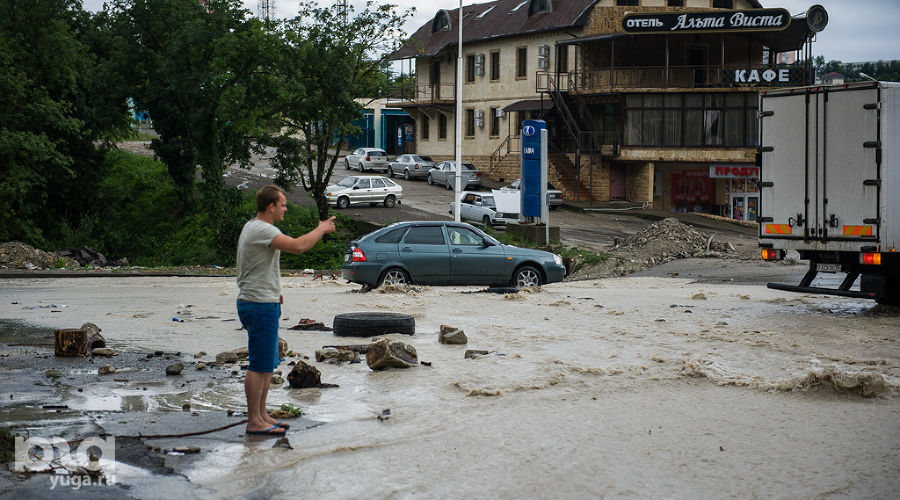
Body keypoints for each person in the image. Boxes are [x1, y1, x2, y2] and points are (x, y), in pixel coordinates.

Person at [236, 185, 336, 436]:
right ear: (270, 206)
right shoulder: (262, 229)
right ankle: (254, 421)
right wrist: (321, 229)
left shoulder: (255, 227)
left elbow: (258, 266)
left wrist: (273, 291)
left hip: (263, 301)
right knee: (259, 365)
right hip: (258, 305)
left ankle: (262, 415)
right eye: (282, 204)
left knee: (267, 364)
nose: (285, 208)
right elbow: (298, 246)